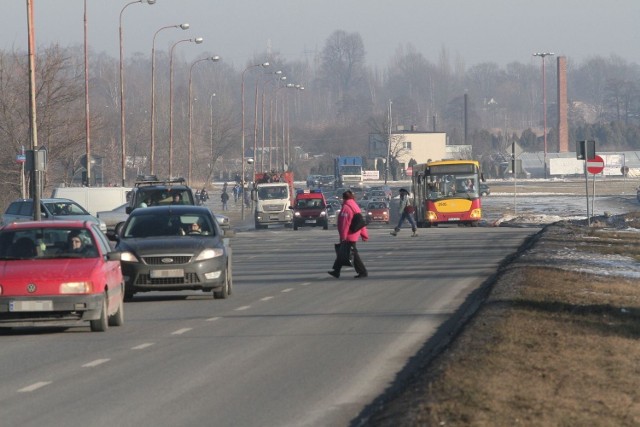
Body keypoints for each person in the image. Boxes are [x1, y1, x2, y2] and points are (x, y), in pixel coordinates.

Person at [328, 190, 369, 279]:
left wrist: (343, 236)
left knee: (351, 254)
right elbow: (361, 222)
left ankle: (363, 272)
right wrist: (364, 235)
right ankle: (336, 271)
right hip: (354, 233)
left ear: (343, 198)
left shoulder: (346, 208)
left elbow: (344, 224)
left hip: (349, 235)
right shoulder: (355, 206)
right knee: (342, 252)